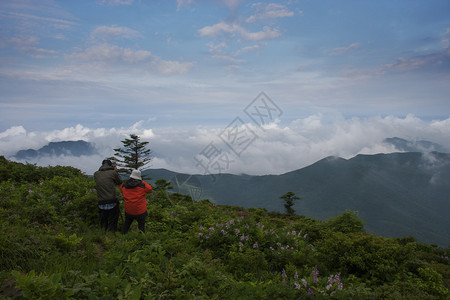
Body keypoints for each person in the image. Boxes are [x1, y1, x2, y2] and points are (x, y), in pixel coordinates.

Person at [94, 159, 122, 232]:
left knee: (103, 222)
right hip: (112, 201)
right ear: (111, 165)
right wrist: (115, 170)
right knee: (112, 222)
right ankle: (112, 236)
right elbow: (119, 182)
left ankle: (103, 236)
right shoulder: (113, 172)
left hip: (101, 202)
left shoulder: (96, 174)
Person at [120, 169, 152, 234]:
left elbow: (121, 190)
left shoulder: (124, 185)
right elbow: (149, 189)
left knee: (127, 224)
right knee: (141, 226)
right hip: (140, 211)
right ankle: (141, 238)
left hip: (128, 210)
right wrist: (142, 182)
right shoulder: (142, 186)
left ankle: (123, 235)